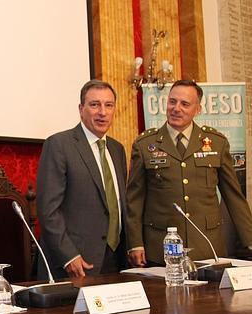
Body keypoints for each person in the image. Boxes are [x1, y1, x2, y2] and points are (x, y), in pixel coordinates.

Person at [126, 79, 252, 266]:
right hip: (161, 247)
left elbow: (234, 197)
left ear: (198, 109)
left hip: (207, 247)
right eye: (172, 102)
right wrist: (135, 243)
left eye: (185, 104)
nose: (176, 108)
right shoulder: (145, 145)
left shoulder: (216, 143)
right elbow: (134, 199)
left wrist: (249, 241)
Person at [36, 80, 128, 278]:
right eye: (95, 105)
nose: (102, 112)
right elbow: (48, 210)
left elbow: (119, 205)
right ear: (81, 109)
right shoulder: (60, 144)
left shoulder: (117, 149)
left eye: (108, 105)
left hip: (115, 259)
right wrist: (68, 255)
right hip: (76, 263)